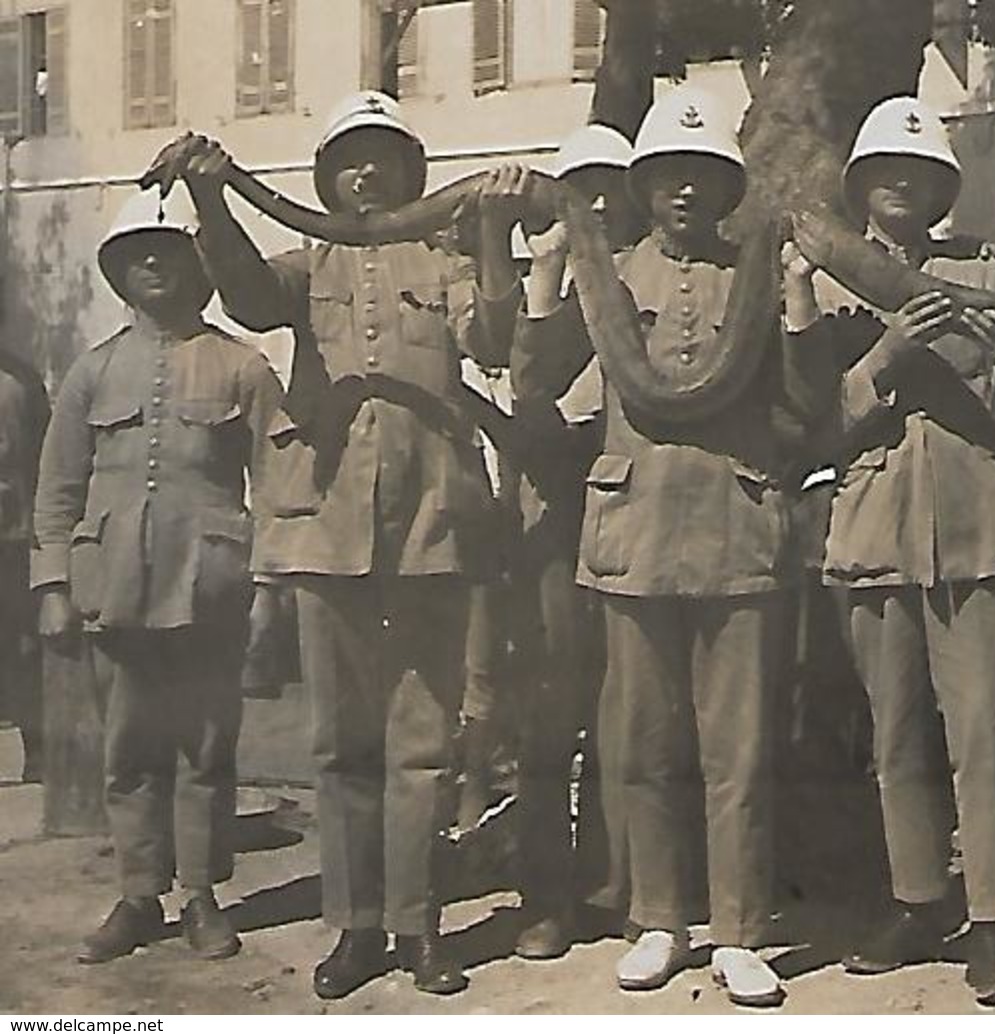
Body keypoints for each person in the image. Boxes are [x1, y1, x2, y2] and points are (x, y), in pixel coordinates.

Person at [177, 90, 527, 997]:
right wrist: (214, 197)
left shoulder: (445, 258)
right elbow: (250, 301)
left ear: (412, 172)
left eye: (382, 158)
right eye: (347, 160)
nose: (365, 173)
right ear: (327, 179)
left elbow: (492, 338)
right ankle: (356, 924)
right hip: (326, 531)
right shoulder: (308, 263)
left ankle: (419, 928)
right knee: (341, 745)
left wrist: (490, 235)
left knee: (421, 742)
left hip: (433, 530)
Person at [516, 87, 799, 1007]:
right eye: (668, 176)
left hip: (734, 531)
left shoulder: (752, 271)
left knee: (740, 750)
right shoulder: (609, 273)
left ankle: (740, 929)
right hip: (631, 536)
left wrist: (793, 304)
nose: (684, 192)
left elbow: (797, 413)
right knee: (641, 746)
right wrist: (546, 279)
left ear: (726, 189)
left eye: (703, 177)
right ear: (641, 187)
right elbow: (536, 383)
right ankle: (657, 921)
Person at [785, 96, 995, 1007]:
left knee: (986, 738)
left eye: (920, 171)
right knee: (895, 740)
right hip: (873, 531)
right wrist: (885, 357)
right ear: (859, 186)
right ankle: (919, 901)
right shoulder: (817, 277)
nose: (902, 183)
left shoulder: (982, 271)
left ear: (942, 187)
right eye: (885, 170)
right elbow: (811, 426)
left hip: (977, 530)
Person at [33, 187, 282, 965]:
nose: (152, 262)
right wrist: (51, 588)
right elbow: (58, 491)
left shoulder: (244, 367)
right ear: (115, 270)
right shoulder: (92, 372)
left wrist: (268, 591)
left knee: (206, 748)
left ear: (197, 265)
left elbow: (278, 489)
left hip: (209, 587)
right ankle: (140, 894)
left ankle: (202, 895)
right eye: (136, 251)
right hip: (113, 591)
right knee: (129, 748)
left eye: (168, 250)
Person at [504, 122, 634, 958]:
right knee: (550, 716)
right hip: (552, 520)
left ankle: (618, 889)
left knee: (626, 715)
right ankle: (547, 896)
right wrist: (546, 275)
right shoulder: (532, 284)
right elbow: (526, 389)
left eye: (607, 190)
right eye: (577, 188)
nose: (592, 205)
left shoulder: (655, 279)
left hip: (636, 517)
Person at [0, 346, 47, 783]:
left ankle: (38, 753)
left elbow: (43, 459)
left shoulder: (21, 380)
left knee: (23, 647)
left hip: (14, 538)